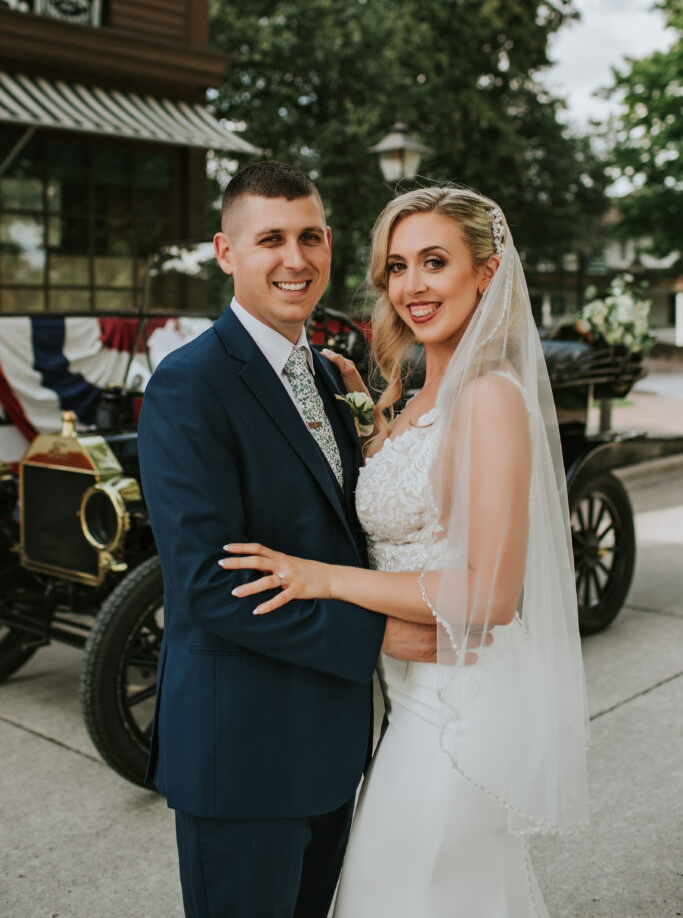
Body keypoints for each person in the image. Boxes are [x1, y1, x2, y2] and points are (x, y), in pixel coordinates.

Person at [222, 186, 591, 917]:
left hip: (458, 710)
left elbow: (488, 595)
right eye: (396, 266)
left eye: (434, 261)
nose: (412, 286)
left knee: (395, 895)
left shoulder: (488, 397)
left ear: (485, 273)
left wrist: (324, 579)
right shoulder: (420, 396)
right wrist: (364, 406)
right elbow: (407, 504)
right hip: (407, 701)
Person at [137, 161, 436, 918]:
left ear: (330, 243)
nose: (295, 259)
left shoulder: (330, 376)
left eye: (310, 236)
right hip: (241, 752)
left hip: (332, 744)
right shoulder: (189, 385)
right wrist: (379, 635)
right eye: (270, 239)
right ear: (225, 251)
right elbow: (210, 586)